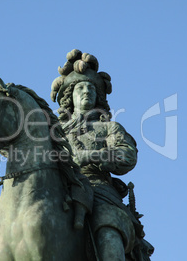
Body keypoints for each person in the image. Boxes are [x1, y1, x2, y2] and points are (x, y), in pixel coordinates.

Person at [51, 49, 141, 260]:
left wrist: (91, 156)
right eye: (80, 87)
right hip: (57, 187)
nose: (86, 91)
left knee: (107, 225)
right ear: (69, 97)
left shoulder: (109, 128)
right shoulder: (54, 131)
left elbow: (128, 156)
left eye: (91, 88)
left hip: (98, 189)